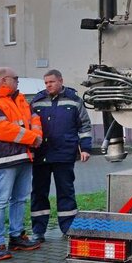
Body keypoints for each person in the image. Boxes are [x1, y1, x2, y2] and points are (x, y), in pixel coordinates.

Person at [0, 67, 43, 260]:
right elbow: (1, 129)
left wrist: (36, 136)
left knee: (19, 199)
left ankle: (17, 236)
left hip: (23, 156)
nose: (18, 80)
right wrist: (33, 138)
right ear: (4, 80)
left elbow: (34, 119)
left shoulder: (19, 99)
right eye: (16, 78)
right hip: (2, 159)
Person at [30, 69, 93, 242]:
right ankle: (38, 231)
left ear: (60, 81)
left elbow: (84, 126)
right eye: (46, 83)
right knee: (39, 193)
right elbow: (30, 126)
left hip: (64, 154)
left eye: (51, 82)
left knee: (66, 192)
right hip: (41, 155)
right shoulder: (37, 101)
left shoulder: (74, 101)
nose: (48, 85)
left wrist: (85, 148)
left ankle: (68, 228)